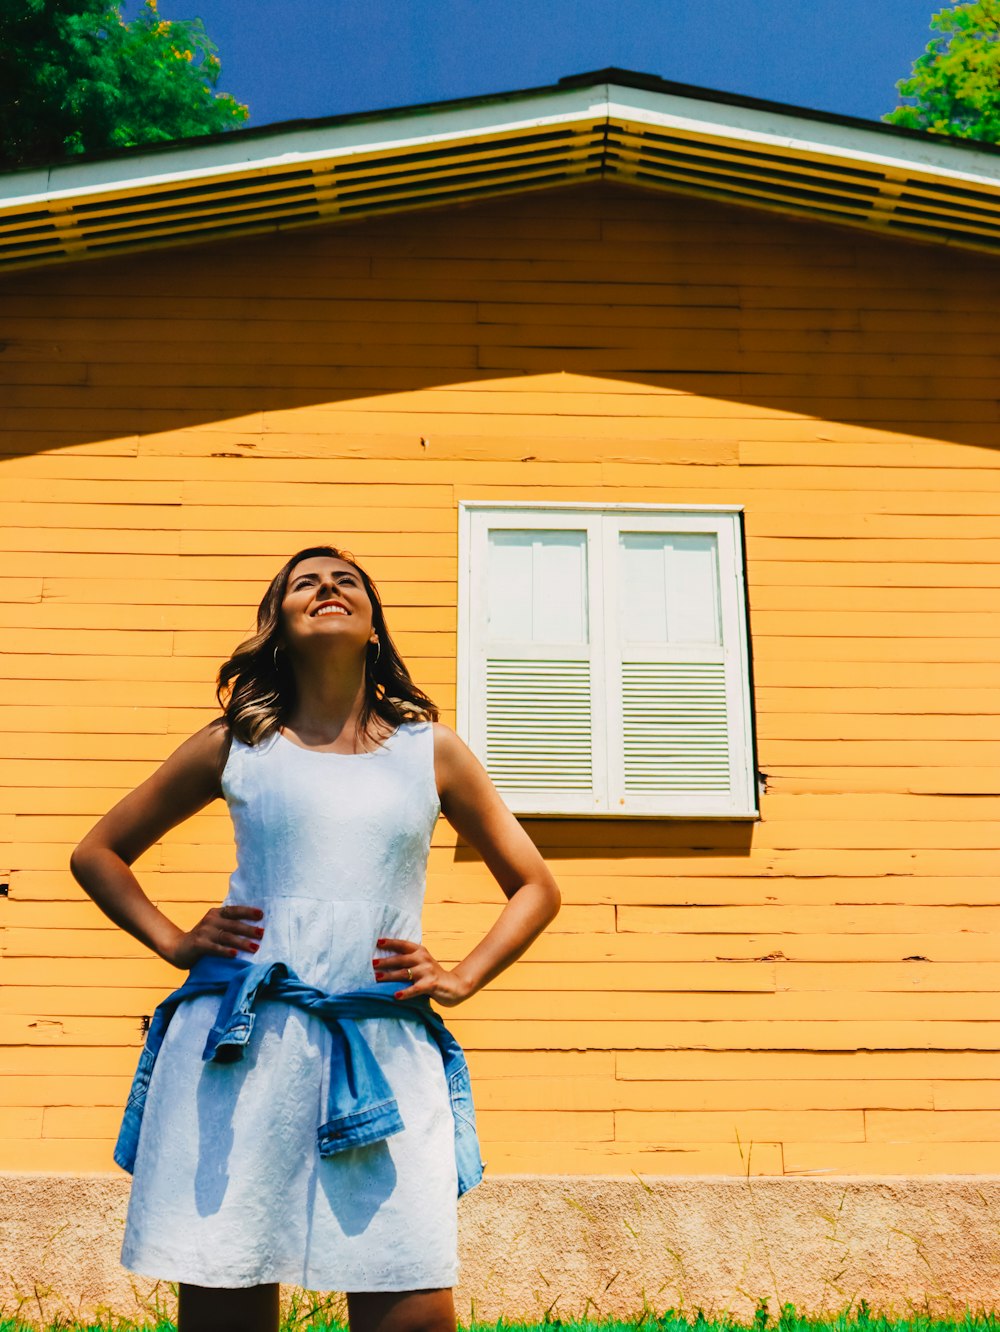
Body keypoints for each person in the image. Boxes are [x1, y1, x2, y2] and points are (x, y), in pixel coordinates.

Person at [70, 544, 561, 1332]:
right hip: (240, 1047)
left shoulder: (428, 750)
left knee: (411, 1300)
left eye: (347, 582)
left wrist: (462, 975)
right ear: (279, 626)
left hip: (379, 1043)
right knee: (226, 1294)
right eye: (307, 582)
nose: (328, 588)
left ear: (374, 628)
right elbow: (97, 853)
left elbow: (537, 885)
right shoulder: (237, 744)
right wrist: (173, 940)